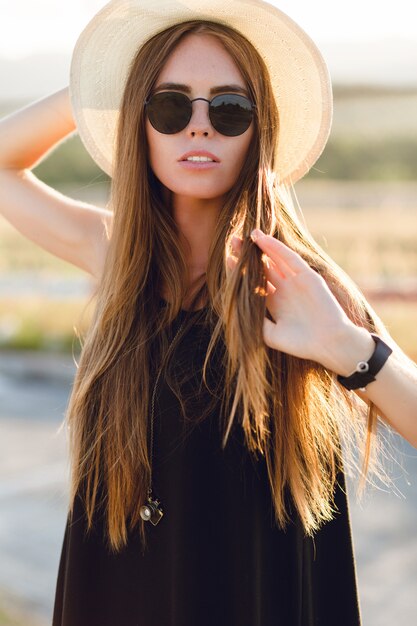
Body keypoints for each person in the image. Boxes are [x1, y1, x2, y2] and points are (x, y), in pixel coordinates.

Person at [0, 1, 416, 625]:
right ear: (137, 121)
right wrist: (102, 85)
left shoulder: (299, 282)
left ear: (259, 128)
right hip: (120, 595)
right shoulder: (115, 254)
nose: (199, 128)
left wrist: (344, 346)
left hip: (258, 601)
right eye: (169, 106)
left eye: (229, 109)